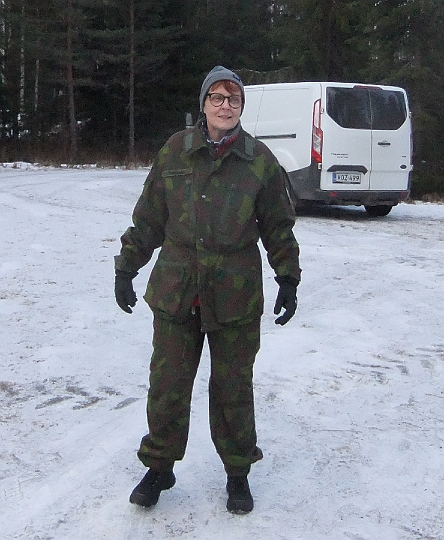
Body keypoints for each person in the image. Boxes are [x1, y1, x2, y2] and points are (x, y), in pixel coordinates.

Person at [114, 65, 301, 514]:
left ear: (241, 106)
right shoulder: (175, 151)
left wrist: (288, 277)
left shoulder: (259, 160)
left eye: (233, 98)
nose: (225, 105)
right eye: (217, 97)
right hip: (177, 290)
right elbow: (149, 218)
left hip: (235, 294)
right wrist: (127, 266)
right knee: (167, 385)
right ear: (204, 103)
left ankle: (238, 472)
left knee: (233, 387)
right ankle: (159, 467)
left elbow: (278, 226)